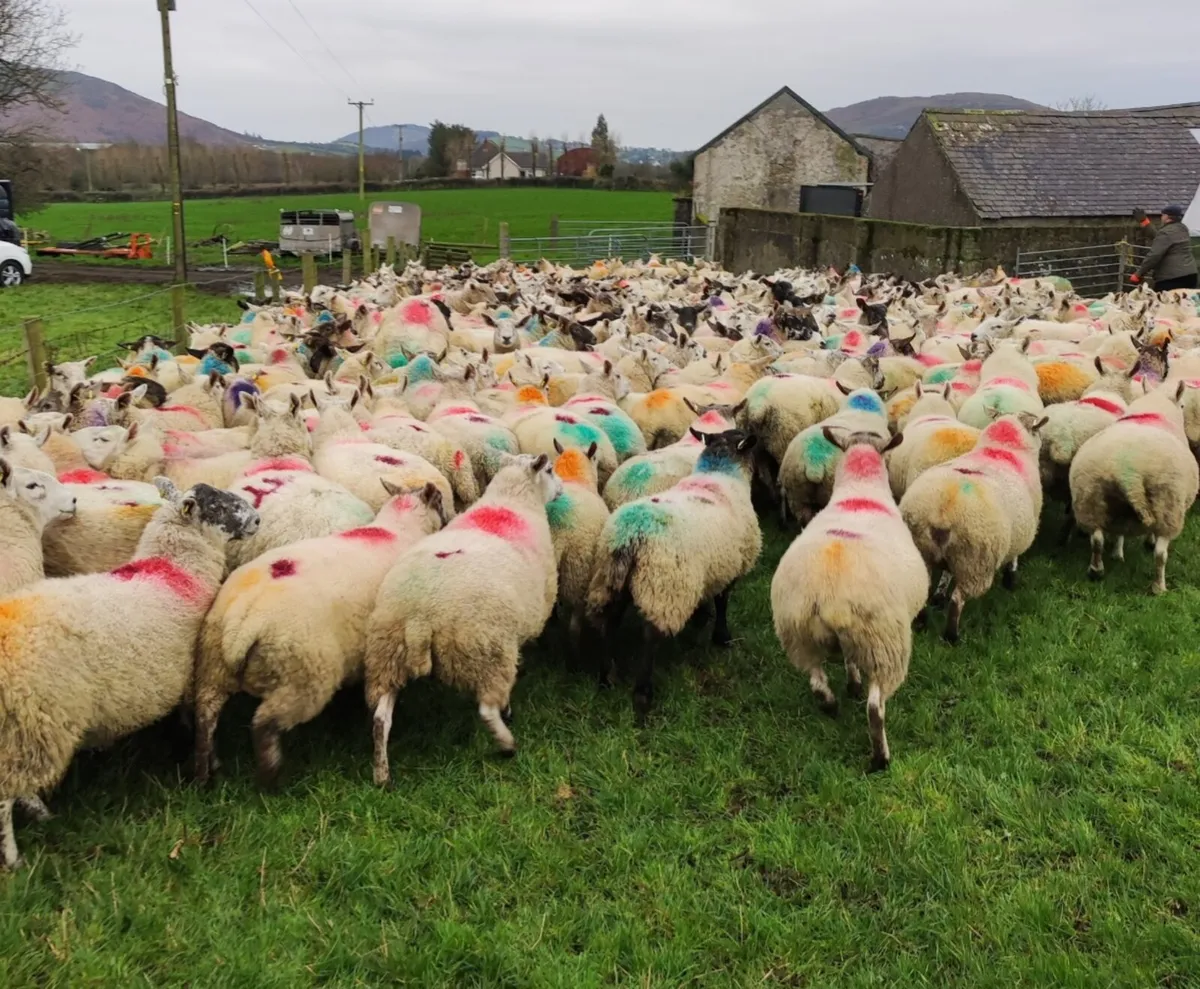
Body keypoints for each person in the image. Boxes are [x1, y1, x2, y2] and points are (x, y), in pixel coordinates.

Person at [1131, 205, 1198, 291]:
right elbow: (1160, 238)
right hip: (1190, 275)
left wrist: (1138, 274)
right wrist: (1145, 222)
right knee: (1187, 303)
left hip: (1172, 279)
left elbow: (1154, 255)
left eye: (1162, 215)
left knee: (1161, 302)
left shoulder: (1165, 233)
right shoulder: (1183, 229)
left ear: (1167, 217)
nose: (1161, 217)